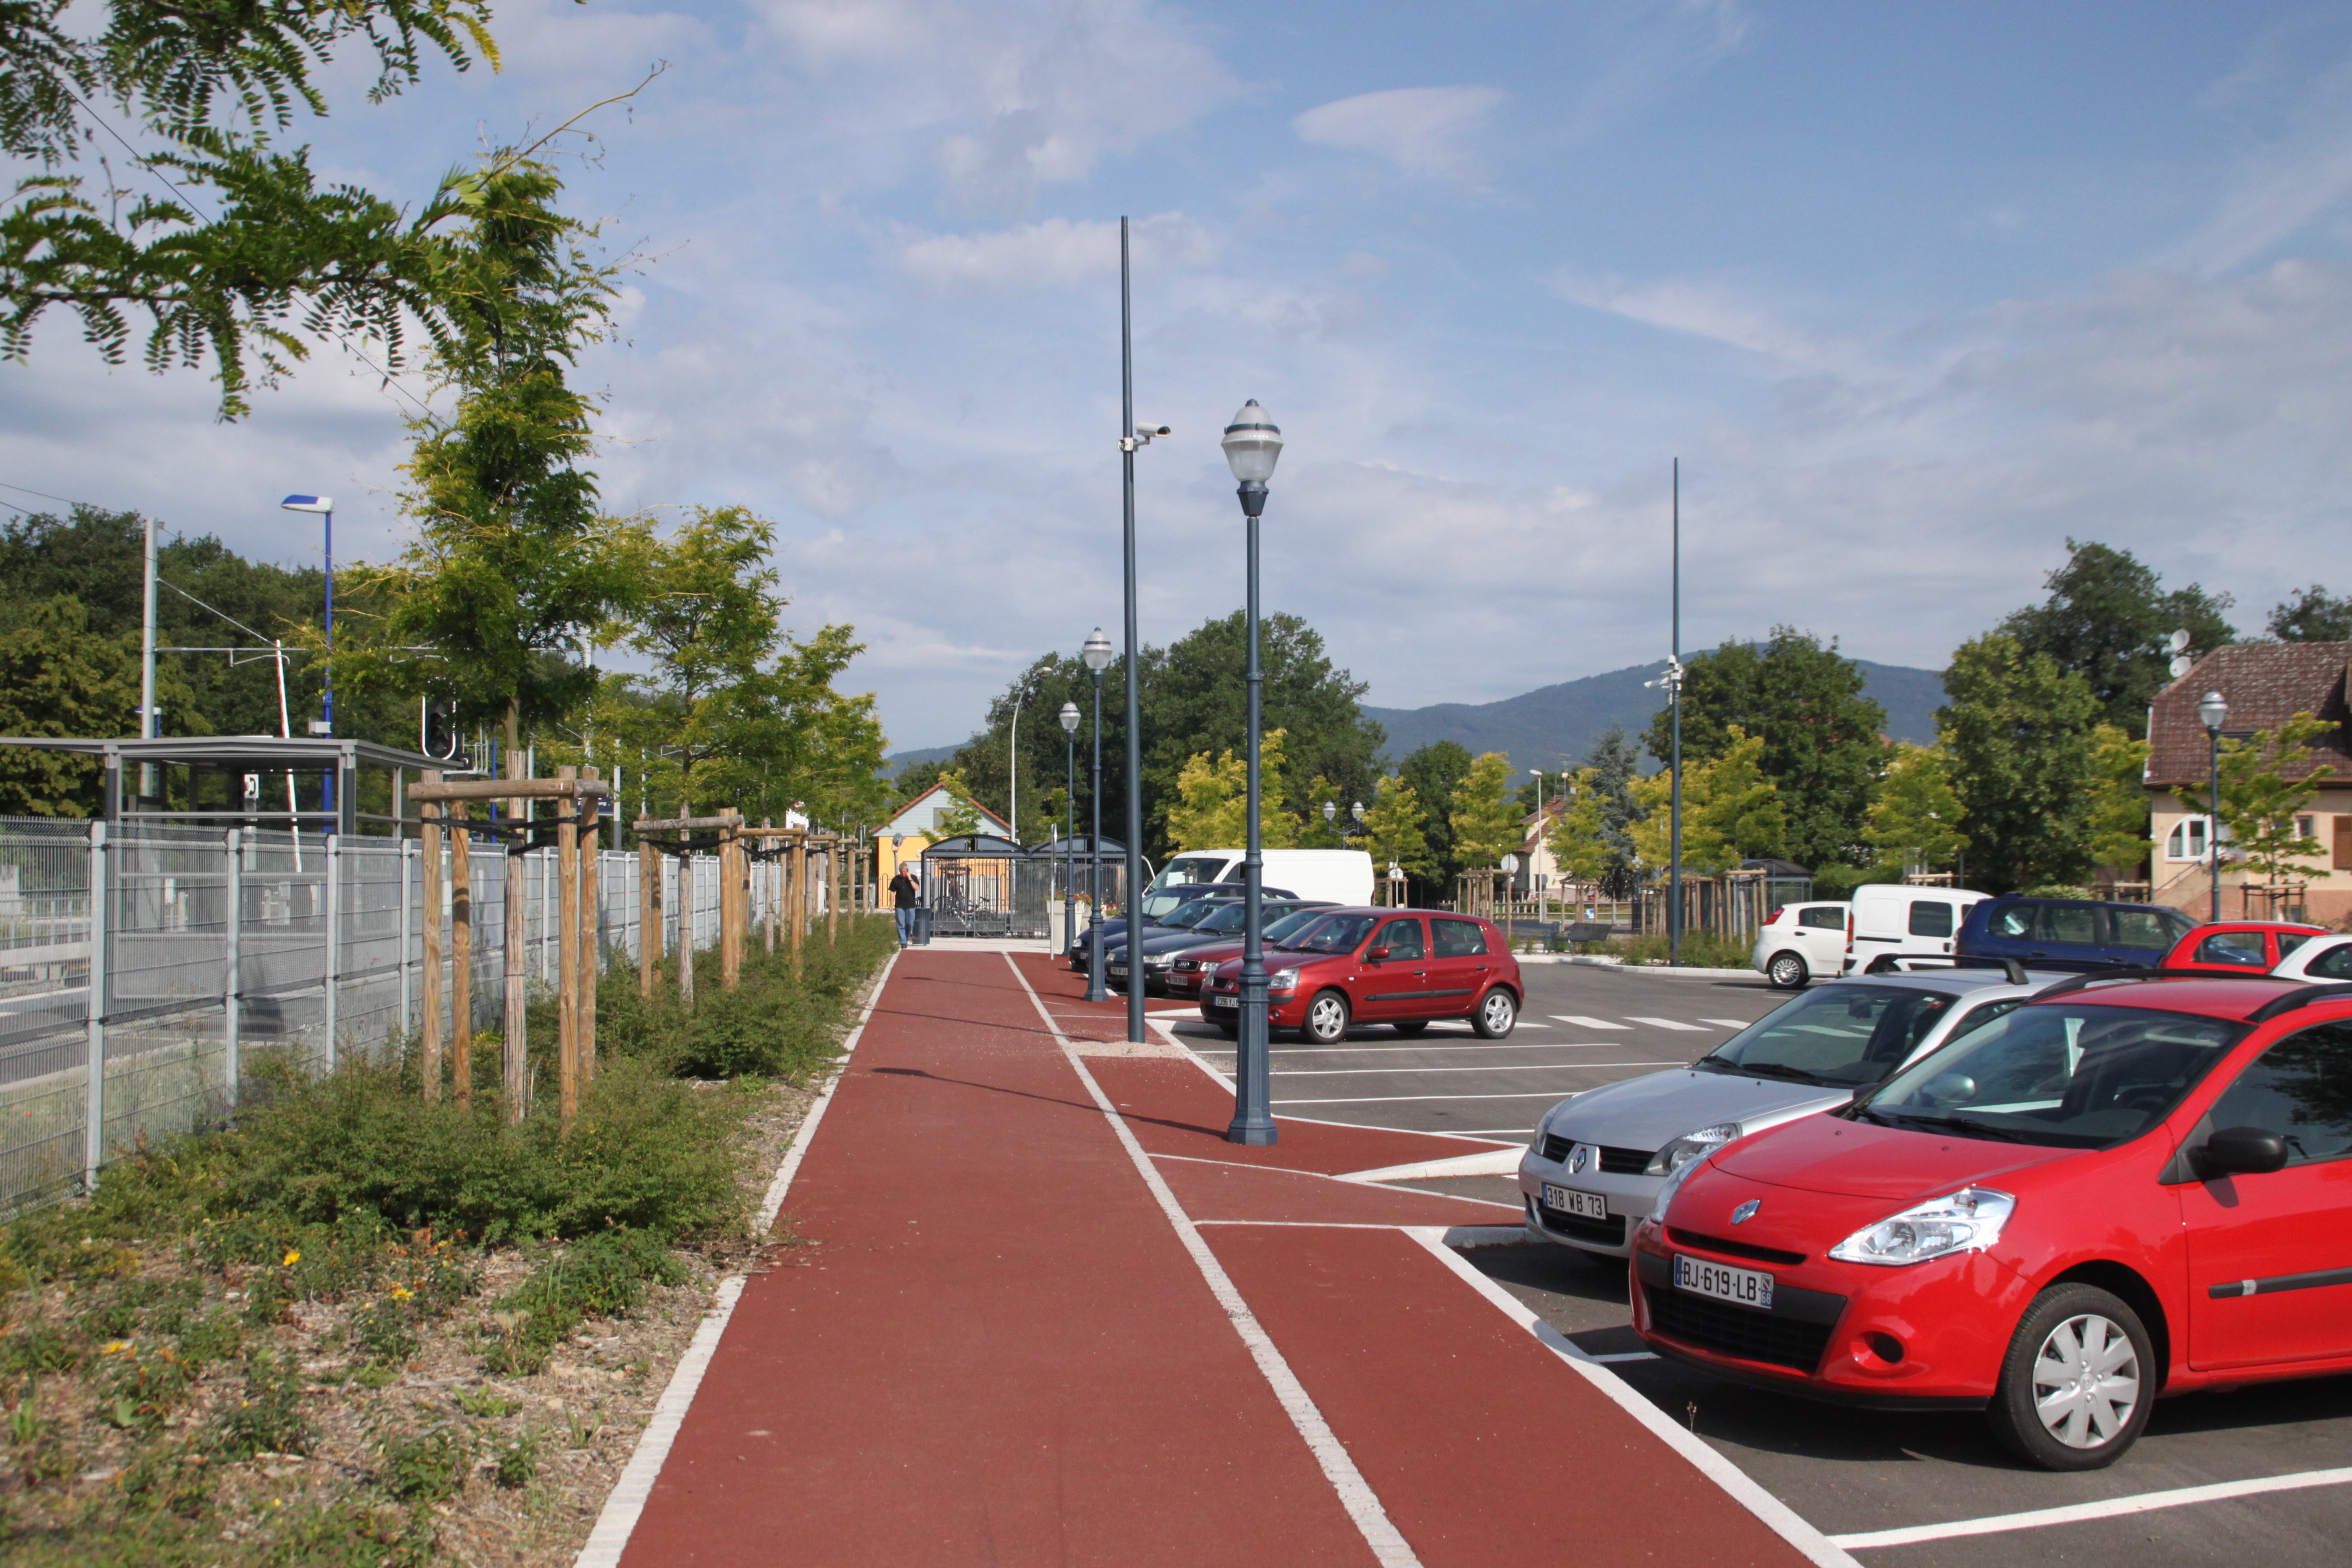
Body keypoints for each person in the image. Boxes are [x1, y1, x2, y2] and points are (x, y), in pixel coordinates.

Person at [890, 863, 921, 947]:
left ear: (907, 871)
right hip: (899, 904)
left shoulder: (913, 877)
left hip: (910, 904)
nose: (903, 873)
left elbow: (916, 888)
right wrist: (891, 904)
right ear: (899, 871)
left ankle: (906, 937)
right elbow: (892, 892)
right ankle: (903, 941)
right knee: (900, 923)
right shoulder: (895, 879)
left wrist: (909, 878)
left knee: (910, 923)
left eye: (905, 871)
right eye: (902, 871)